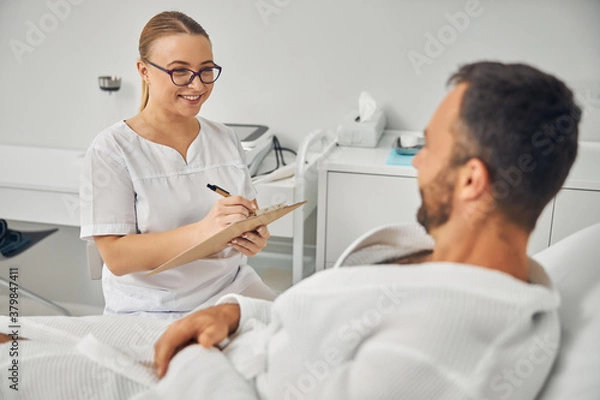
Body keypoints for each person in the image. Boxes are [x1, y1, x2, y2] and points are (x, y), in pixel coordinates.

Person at [0, 61, 581, 399]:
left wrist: (193, 358)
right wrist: (233, 311)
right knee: (16, 332)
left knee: (16, 368)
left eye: (430, 147)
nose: (419, 163)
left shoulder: (446, 353)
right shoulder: (453, 258)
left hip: (200, 377)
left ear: (473, 181)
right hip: (228, 333)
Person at [79, 11, 275, 318]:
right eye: (180, 71)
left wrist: (251, 235)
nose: (197, 85)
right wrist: (203, 231)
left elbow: (243, 215)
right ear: (144, 70)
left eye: (206, 70)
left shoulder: (225, 138)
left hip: (233, 293)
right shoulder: (111, 150)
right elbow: (116, 256)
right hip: (154, 308)